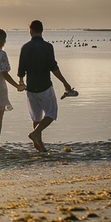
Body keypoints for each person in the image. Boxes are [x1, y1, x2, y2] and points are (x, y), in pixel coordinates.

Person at [17, 19, 74, 152]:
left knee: (36, 117)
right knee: (51, 113)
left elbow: (21, 69)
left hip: (30, 88)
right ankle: (35, 135)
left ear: (30, 31)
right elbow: (53, 68)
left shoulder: (25, 47)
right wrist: (65, 83)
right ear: (41, 31)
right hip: (44, 87)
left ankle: (39, 145)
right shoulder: (48, 47)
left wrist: (21, 81)